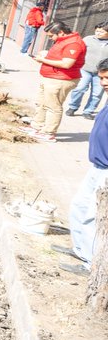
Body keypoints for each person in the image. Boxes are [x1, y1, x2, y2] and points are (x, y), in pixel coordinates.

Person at [54, 57, 108, 275]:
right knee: (79, 207)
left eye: (107, 78)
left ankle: (92, 264)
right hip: (97, 166)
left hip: (106, 171)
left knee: (94, 216)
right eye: (102, 78)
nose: (104, 83)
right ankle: (81, 249)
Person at [22, 21, 86, 143]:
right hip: (50, 77)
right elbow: (60, 57)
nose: (51, 39)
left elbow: (67, 64)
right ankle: (37, 126)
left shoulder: (74, 44)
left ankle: (49, 133)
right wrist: (47, 55)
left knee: (53, 106)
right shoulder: (63, 41)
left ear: (61, 32)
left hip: (61, 79)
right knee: (41, 103)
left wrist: (43, 60)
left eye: (51, 36)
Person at [66, 22, 108, 119]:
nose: (98, 33)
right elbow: (78, 51)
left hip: (101, 72)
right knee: (80, 88)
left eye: (101, 32)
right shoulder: (88, 39)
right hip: (85, 68)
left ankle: (88, 111)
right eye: (97, 31)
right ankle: (73, 106)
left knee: (97, 93)